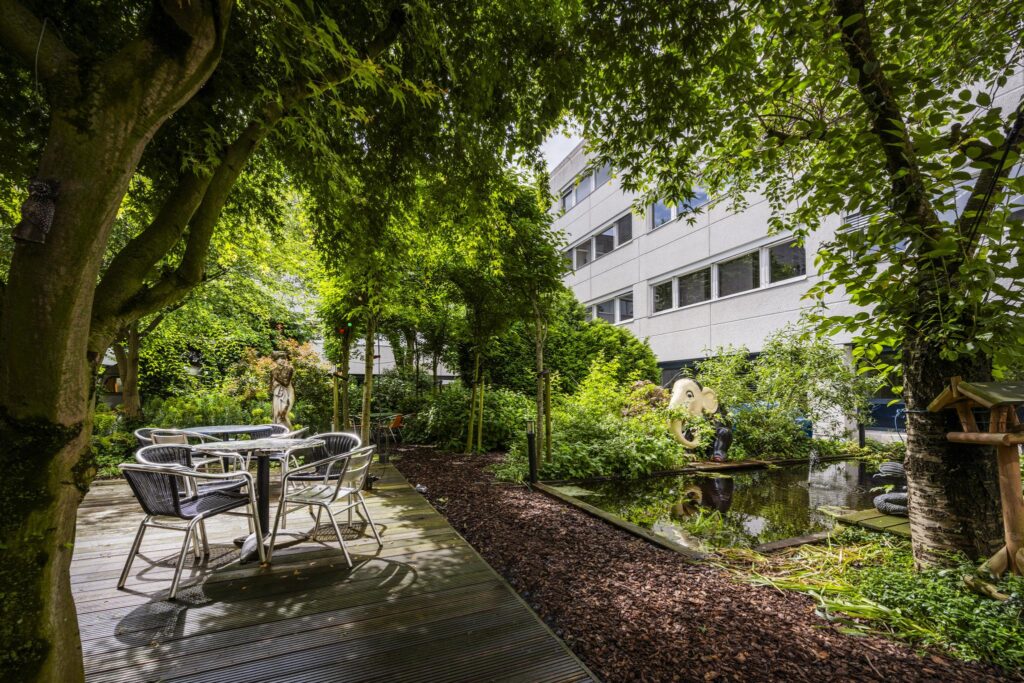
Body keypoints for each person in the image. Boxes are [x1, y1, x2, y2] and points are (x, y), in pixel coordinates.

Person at [270, 351, 295, 428]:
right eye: (281, 358)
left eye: (284, 358)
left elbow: (286, 383)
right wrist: (273, 386)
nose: (283, 360)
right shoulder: (273, 371)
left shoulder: (289, 369)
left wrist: (276, 378)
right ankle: (278, 433)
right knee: (276, 415)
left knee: (283, 415)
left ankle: (290, 435)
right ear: (276, 360)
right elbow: (271, 386)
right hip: (277, 394)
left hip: (287, 394)